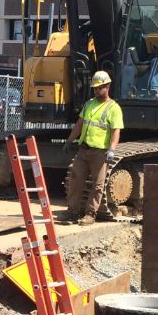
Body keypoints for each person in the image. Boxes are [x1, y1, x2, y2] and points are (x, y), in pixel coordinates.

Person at [58, 71, 123, 226]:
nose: (96, 91)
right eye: (94, 88)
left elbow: (116, 131)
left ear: (107, 87)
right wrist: (69, 141)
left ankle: (90, 214)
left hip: (100, 153)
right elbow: (80, 124)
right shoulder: (89, 104)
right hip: (84, 150)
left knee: (98, 185)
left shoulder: (114, 108)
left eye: (99, 88)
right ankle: (73, 212)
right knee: (75, 180)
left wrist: (112, 149)